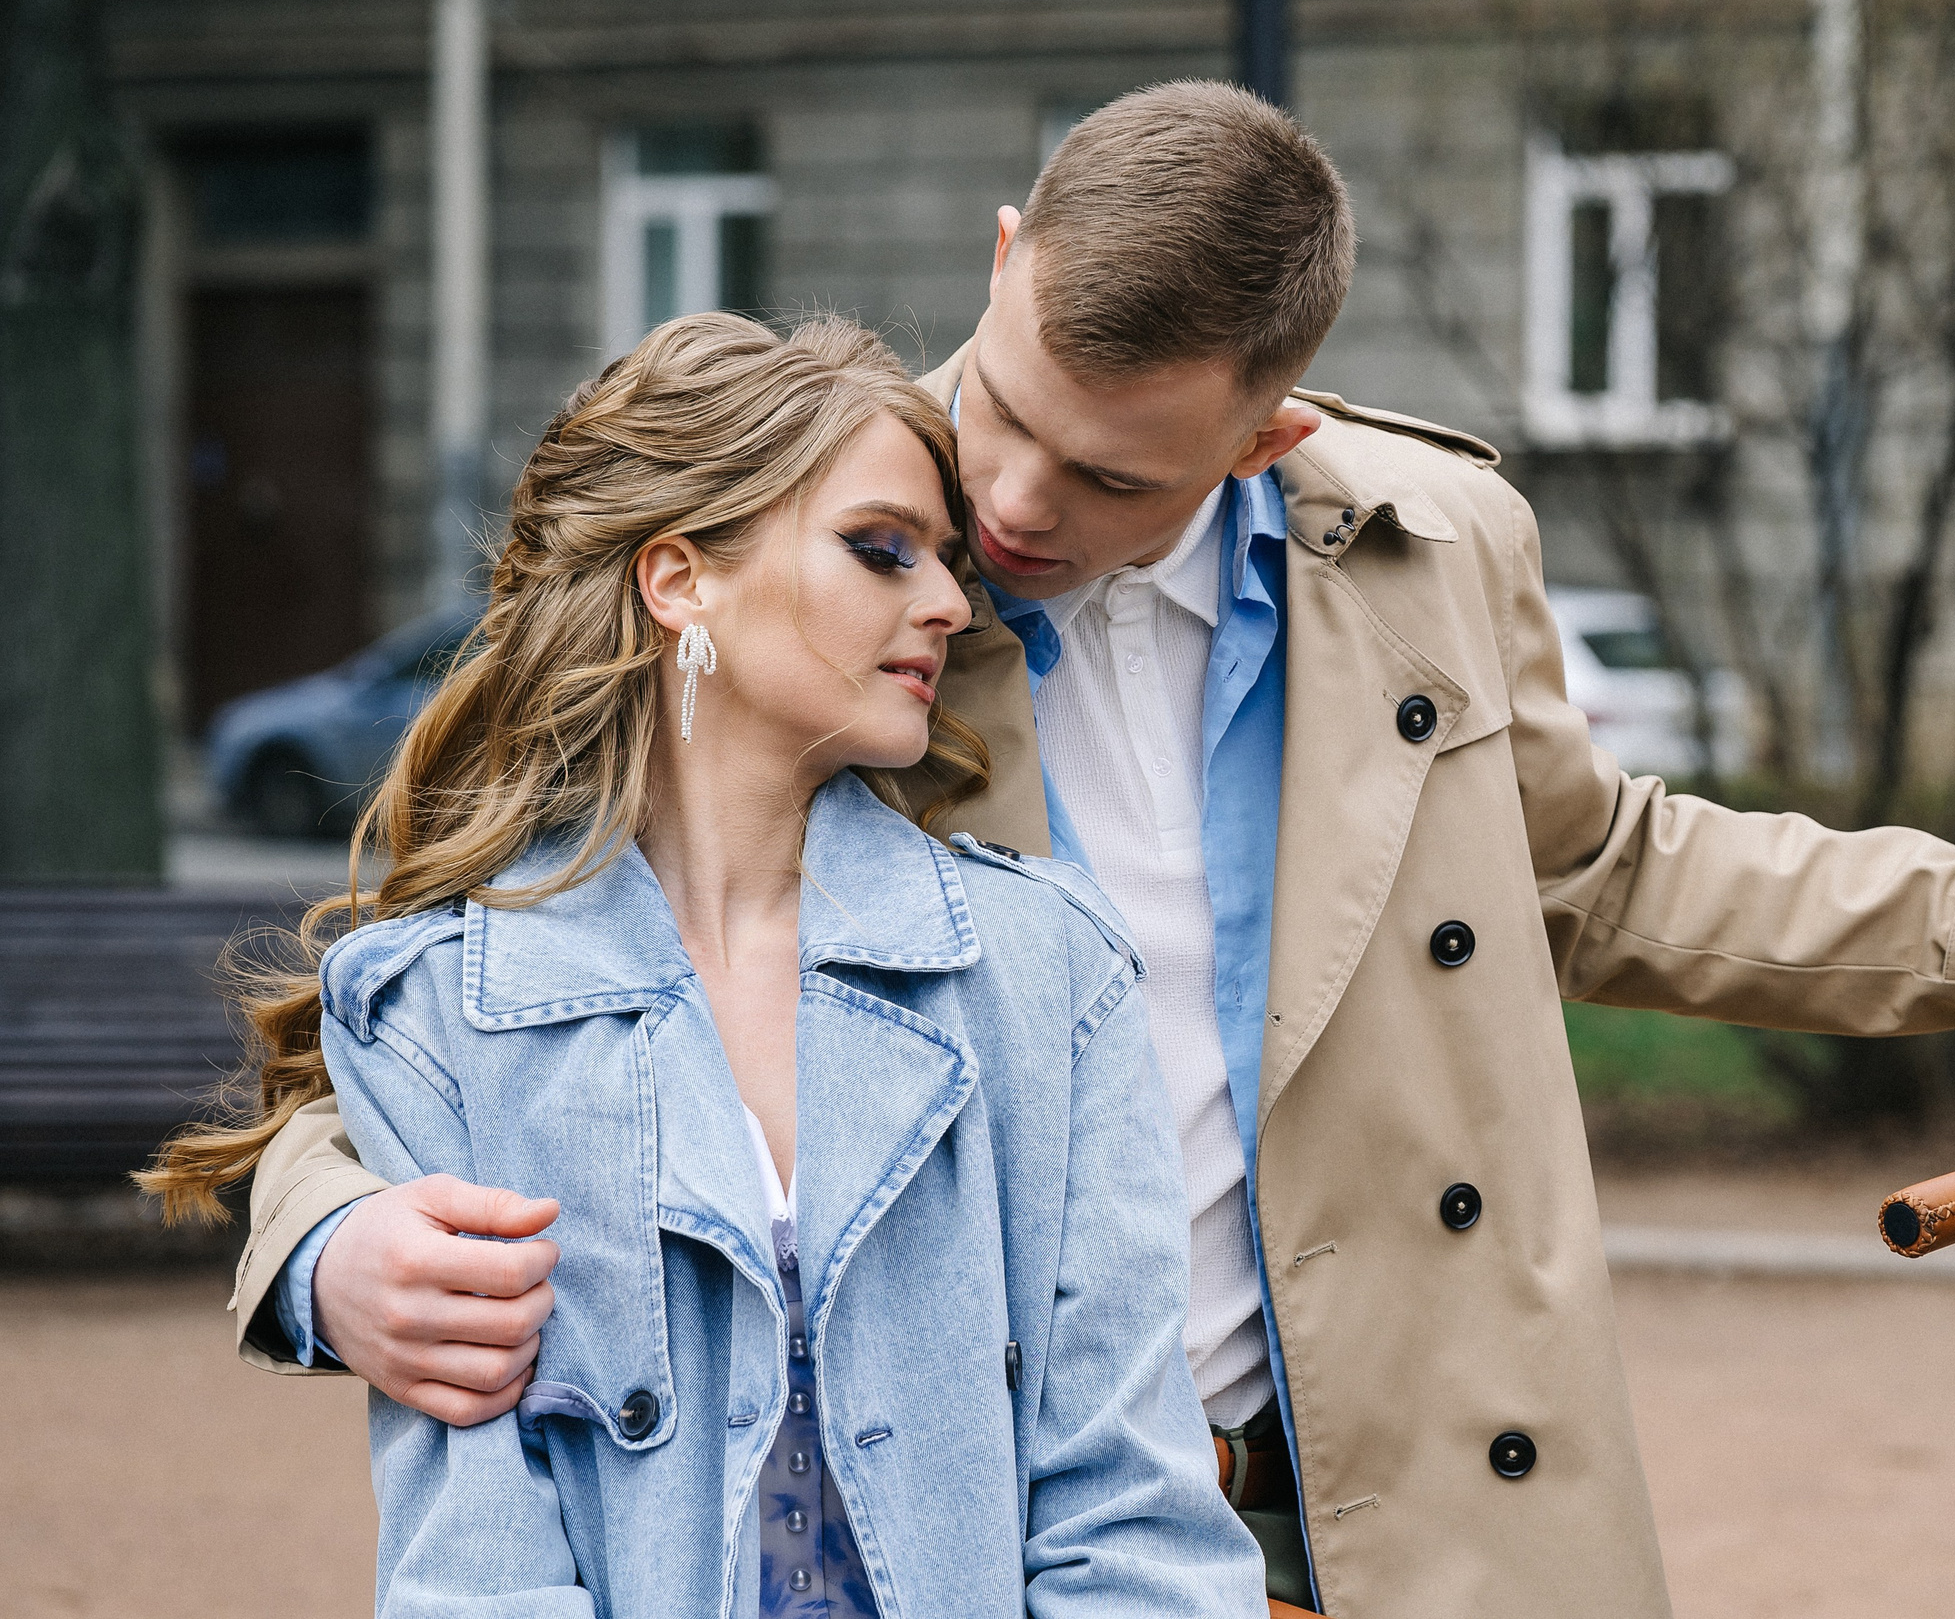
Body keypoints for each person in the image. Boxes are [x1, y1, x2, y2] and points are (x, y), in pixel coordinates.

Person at [222, 84, 1955, 1617]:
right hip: (998, 1503)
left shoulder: (1433, 540)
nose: (1015, 503)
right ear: (1004, 261)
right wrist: (333, 1241)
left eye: (1117, 475)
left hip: (1422, 1483)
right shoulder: (833, 556)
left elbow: (1609, 871)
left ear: (1266, 430)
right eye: (1011, 411)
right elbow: (473, 978)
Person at [145, 313, 1263, 1617]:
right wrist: (329, 1256)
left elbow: (1134, 1526)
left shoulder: (1045, 971)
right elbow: (479, 1577)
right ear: (681, 581)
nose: (951, 604)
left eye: (945, 561)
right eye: (879, 549)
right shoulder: (442, 1008)